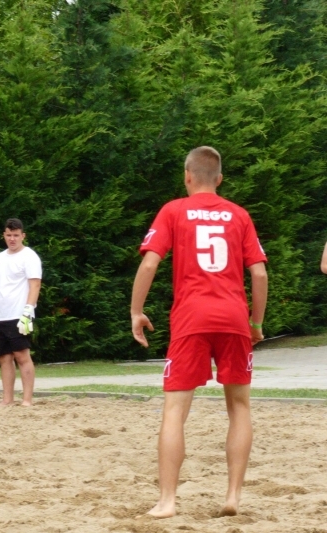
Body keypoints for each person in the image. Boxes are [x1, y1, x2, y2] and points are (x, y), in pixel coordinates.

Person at [130, 146, 268, 519]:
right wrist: (255, 323)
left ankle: (168, 501)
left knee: (175, 410)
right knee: (239, 406)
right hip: (234, 319)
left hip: (191, 319)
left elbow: (149, 263)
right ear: (219, 179)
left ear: (187, 175)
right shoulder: (239, 215)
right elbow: (259, 274)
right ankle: (233, 496)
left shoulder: (174, 210)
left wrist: (136, 311)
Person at [0, 218, 42, 407]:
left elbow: (35, 284)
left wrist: (27, 311)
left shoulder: (29, 256)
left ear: (23, 236)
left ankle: (27, 399)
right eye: (9, 235)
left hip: (18, 315)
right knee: (4, 358)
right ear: (4, 236)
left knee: (22, 356)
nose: (12, 239)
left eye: (16, 235)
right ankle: (7, 399)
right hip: (0, 315)